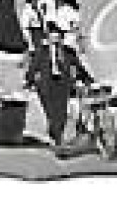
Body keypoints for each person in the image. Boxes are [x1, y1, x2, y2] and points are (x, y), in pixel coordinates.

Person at [24, 22, 94, 154]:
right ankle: (55, 135)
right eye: (53, 37)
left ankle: (58, 140)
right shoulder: (41, 51)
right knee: (51, 112)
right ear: (48, 38)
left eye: (58, 37)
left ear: (61, 38)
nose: (55, 40)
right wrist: (28, 81)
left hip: (62, 85)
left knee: (60, 114)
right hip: (45, 85)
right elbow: (33, 67)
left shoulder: (68, 52)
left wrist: (88, 79)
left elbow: (79, 67)